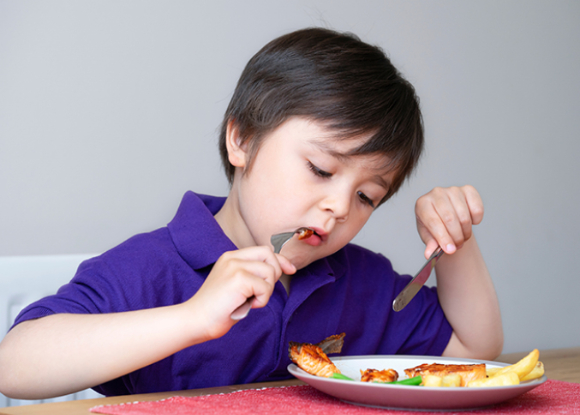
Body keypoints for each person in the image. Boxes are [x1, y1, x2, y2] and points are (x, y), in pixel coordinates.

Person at [0, 27, 503, 400]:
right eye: (321, 168)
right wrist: (193, 317)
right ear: (241, 141)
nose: (339, 207)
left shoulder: (360, 281)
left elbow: (474, 353)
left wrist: (454, 240)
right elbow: (15, 364)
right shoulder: (154, 266)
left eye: (368, 196)